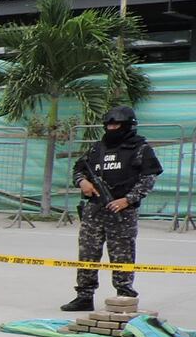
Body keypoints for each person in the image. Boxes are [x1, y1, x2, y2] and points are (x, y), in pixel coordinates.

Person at [61, 106, 162, 312]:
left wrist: (128, 200)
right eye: (109, 125)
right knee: (88, 253)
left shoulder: (140, 148)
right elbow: (79, 169)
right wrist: (82, 182)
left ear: (127, 126)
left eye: (116, 125)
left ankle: (124, 296)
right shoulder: (97, 148)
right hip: (94, 210)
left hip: (122, 211)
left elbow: (148, 178)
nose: (112, 128)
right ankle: (84, 296)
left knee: (122, 255)